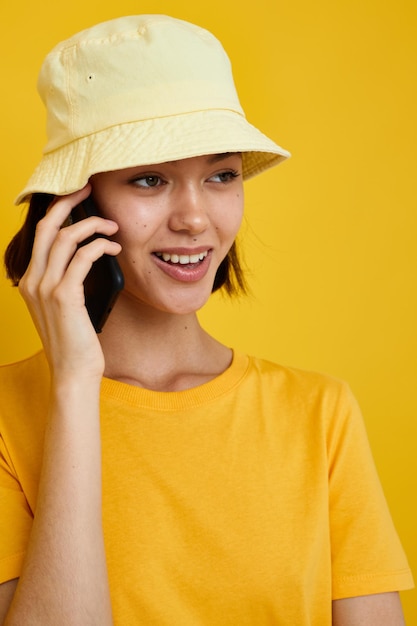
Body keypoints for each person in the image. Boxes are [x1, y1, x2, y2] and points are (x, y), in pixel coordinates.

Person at [0, 14, 413, 626]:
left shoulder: (319, 413)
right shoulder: (8, 419)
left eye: (221, 176)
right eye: (150, 179)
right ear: (75, 208)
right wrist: (74, 386)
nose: (196, 219)